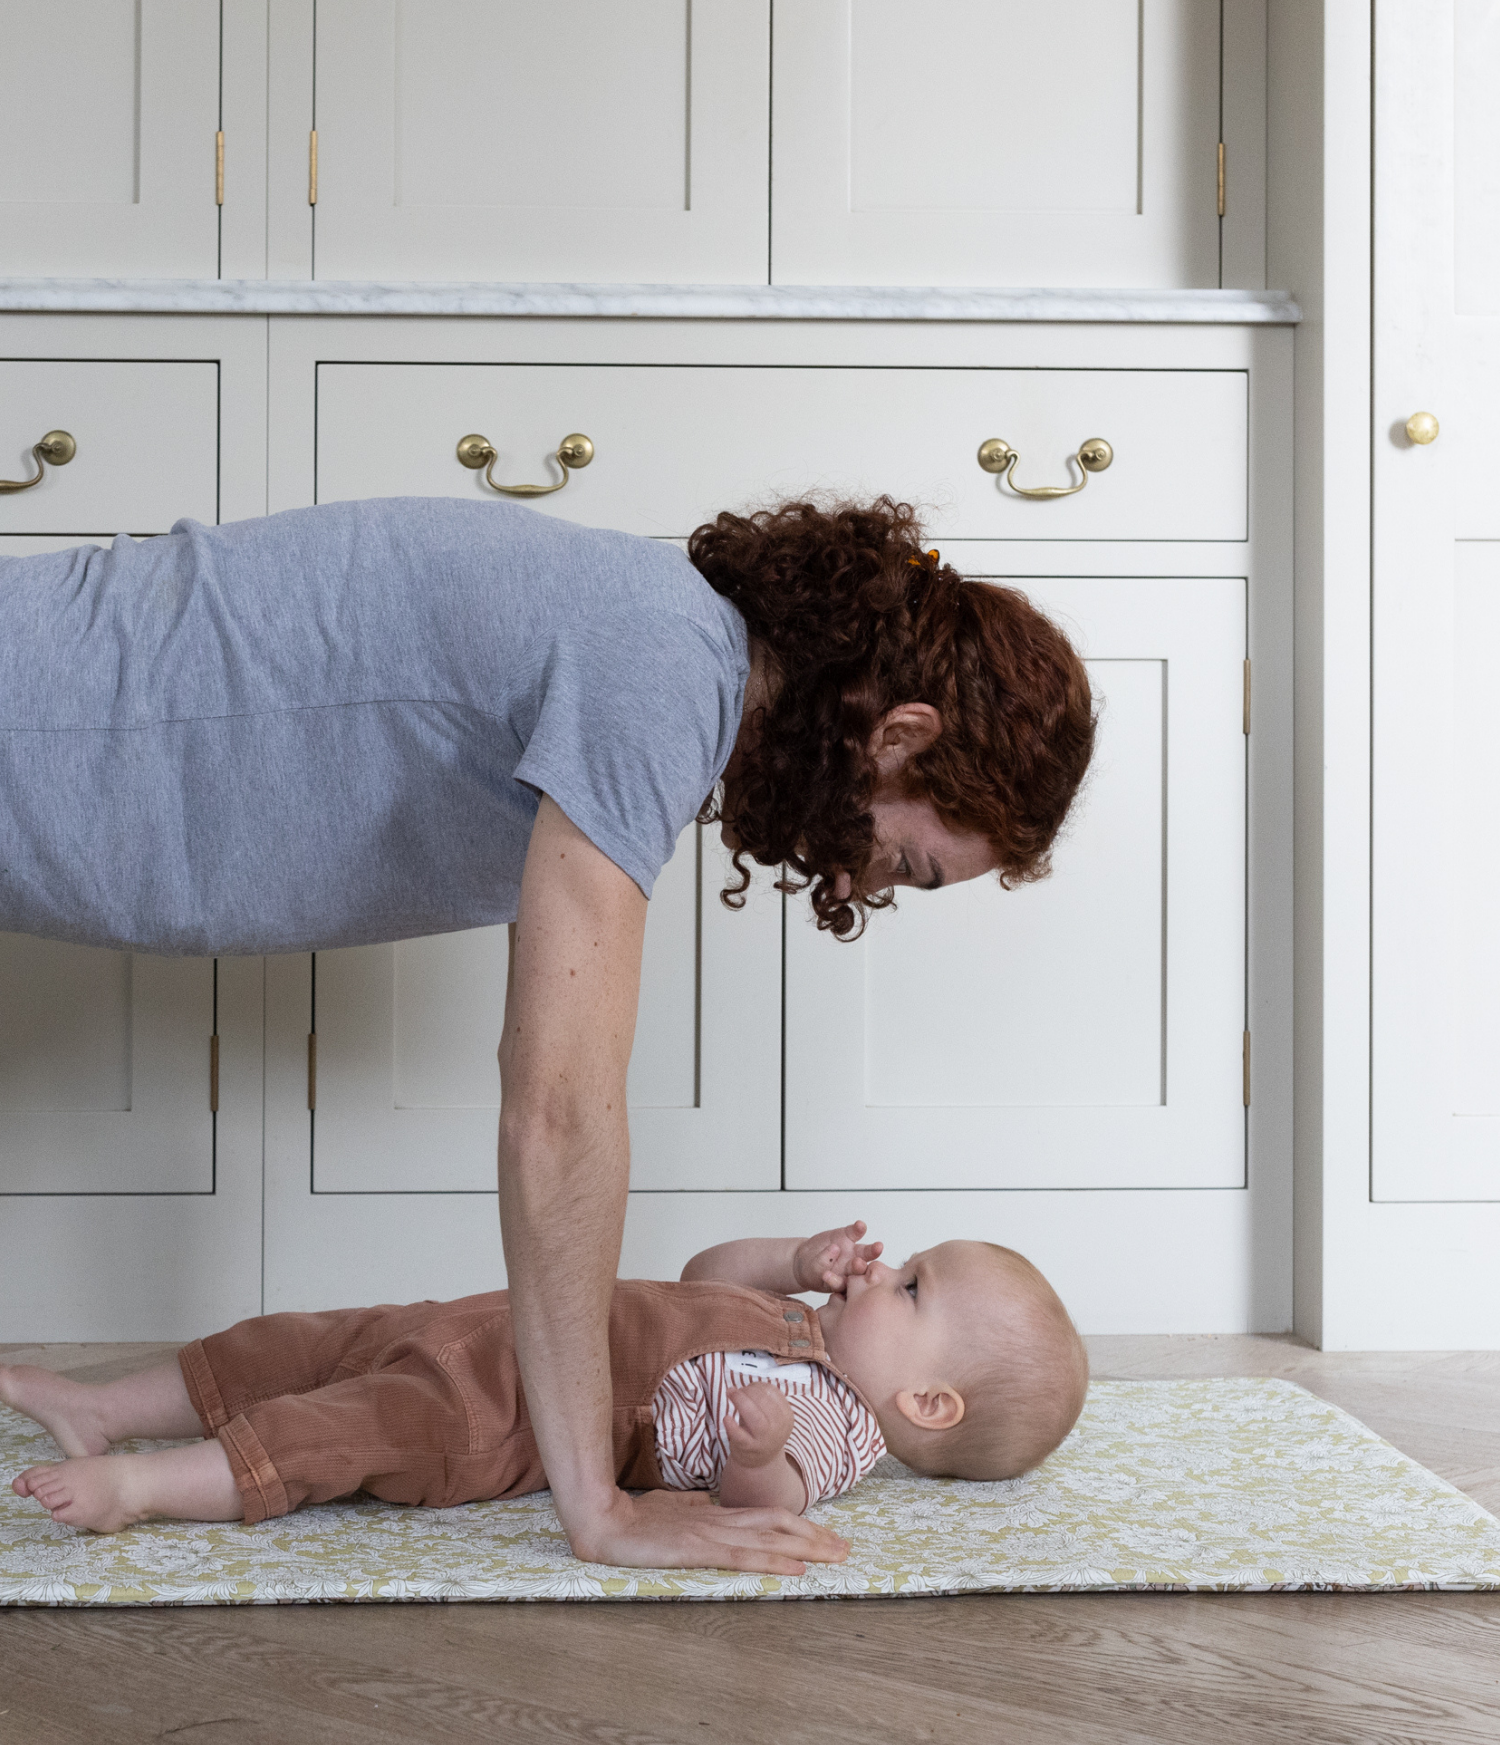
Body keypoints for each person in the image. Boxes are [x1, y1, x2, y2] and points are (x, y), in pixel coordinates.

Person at [0, 493, 1096, 1573]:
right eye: (911, 860)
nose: (870, 882)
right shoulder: (664, 669)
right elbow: (558, 1110)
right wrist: (599, 1506)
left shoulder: (668, 652)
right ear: (900, 737)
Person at [2, 1220, 1089, 1535]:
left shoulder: (833, 1426)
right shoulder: (802, 1321)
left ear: (927, 1407)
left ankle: (141, 1491)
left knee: (344, 1426)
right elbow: (701, 1275)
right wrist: (791, 1262)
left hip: (508, 1413)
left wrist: (756, 1450)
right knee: (298, 1343)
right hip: (496, 1323)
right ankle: (100, 1409)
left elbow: (770, 1500)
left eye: (911, 1291)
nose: (885, 1272)